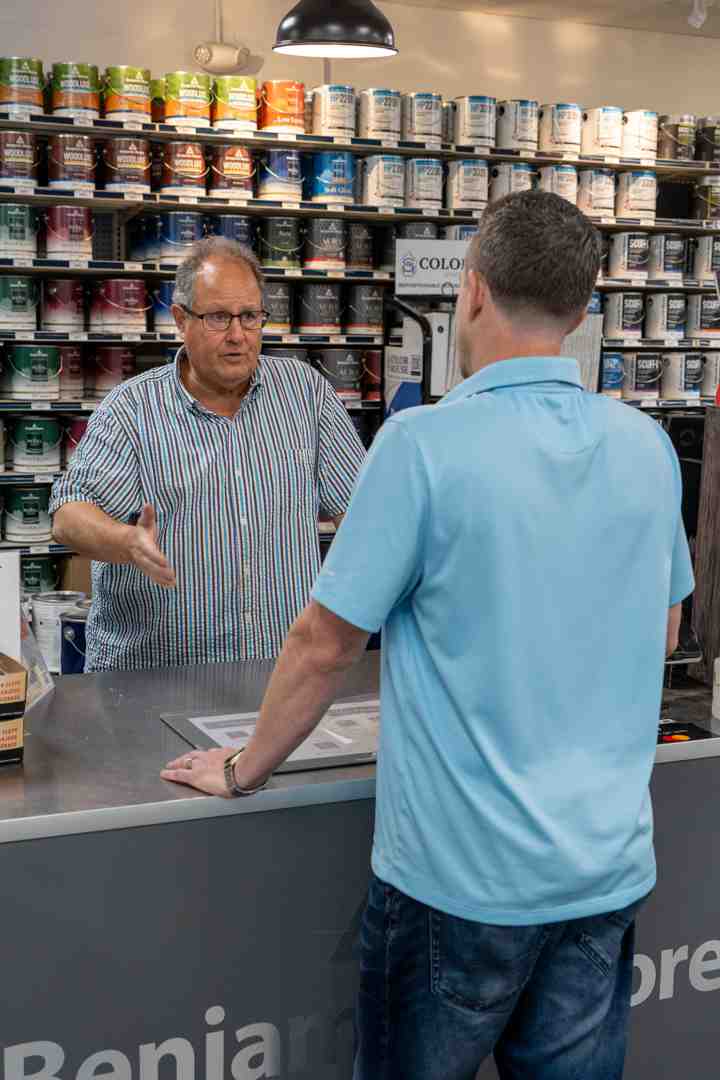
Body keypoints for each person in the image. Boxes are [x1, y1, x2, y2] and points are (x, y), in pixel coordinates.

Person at [163, 191, 694, 1080]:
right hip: (602, 876)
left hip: (460, 889)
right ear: (583, 307)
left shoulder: (423, 447)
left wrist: (244, 765)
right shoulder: (645, 446)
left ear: (473, 291)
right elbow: (663, 623)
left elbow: (325, 643)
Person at [51, 237, 365, 671]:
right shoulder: (133, 410)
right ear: (181, 319)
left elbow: (360, 511)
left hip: (278, 675)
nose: (238, 336)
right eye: (218, 317)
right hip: (156, 677)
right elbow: (68, 517)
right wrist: (126, 542)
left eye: (250, 317)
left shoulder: (305, 394)